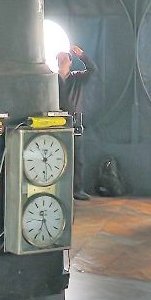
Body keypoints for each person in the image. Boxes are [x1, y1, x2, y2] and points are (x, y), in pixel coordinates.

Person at [57, 44, 98, 200]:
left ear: (70, 61)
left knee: (77, 158)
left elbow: (93, 70)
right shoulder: (51, 79)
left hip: (75, 121)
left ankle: (77, 189)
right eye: (59, 58)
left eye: (64, 58)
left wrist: (82, 55)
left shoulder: (77, 78)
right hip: (57, 121)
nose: (62, 60)